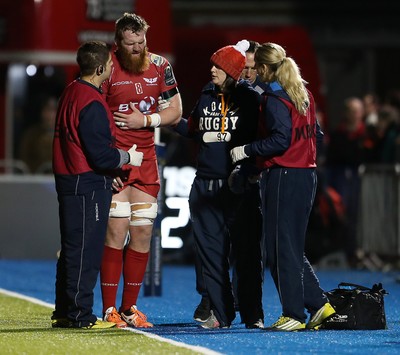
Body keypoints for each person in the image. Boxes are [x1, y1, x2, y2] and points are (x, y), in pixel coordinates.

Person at [230, 42, 336, 331]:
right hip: (306, 175)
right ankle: (318, 305)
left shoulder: (275, 99)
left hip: (285, 176)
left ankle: (294, 314)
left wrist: (248, 151)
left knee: (280, 249)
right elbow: (318, 135)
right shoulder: (304, 94)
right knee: (290, 246)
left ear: (264, 68)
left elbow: (280, 140)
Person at [51, 40, 144, 329]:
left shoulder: (71, 91)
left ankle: (66, 312)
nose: (113, 69)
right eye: (110, 65)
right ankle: (80, 314)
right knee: (86, 250)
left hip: (72, 179)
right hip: (86, 184)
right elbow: (100, 153)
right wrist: (128, 156)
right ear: (101, 68)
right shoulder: (90, 100)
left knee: (71, 248)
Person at [99, 12, 182, 328]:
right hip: (116, 163)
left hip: (146, 162)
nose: (137, 48)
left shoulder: (160, 65)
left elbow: (176, 110)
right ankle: (109, 310)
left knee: (143, 233)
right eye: (131, 44)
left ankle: (129, 308)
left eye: (141, 42)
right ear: (118, 43)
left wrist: (146, 120)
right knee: (116, 233)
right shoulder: (106, 67)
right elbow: (92, 113)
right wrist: (109, 158)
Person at [174, 40, 262, 329]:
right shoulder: (206, 95)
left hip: (238, 186)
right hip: (205, 184)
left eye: (218, 66)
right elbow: (192, 128)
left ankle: (253, 315)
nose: (212, 70)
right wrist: (163, 118)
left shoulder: (250, 100)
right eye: (212, 64)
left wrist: (249, 168)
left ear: (232, 71)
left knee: (247, 254)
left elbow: (260, 139)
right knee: (210, 255)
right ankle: (221, 314)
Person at [18, 95, 58, 173]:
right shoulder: (31, 135)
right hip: (37, 179)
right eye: (47, 110)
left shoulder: (67, 134)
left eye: (53, 110)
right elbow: (25, 160)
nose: (50, 115)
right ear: (41, 113)